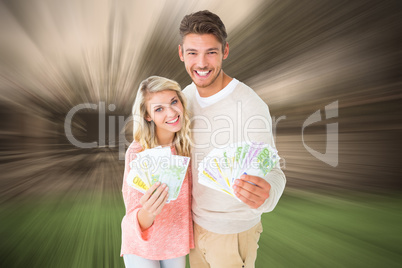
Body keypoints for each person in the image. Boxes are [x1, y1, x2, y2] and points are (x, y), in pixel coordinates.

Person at [178, 10, 286, 268]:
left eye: (211, 52)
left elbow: (274, 171)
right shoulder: (184, 98)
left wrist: (267, 196)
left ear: (225, 51)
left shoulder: (249, 105)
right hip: (194, 228)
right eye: (193, 53)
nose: (201, 63)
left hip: (233, 232)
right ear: (181, 53)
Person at [120, 76, 194, 268]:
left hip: (175, 241)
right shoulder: (138, 153)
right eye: (159, 109)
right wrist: (149, 211)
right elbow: (134, 215)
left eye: (174, 102)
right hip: (141, 245)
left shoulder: (186, 148)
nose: (171, 112)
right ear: (147, 115)